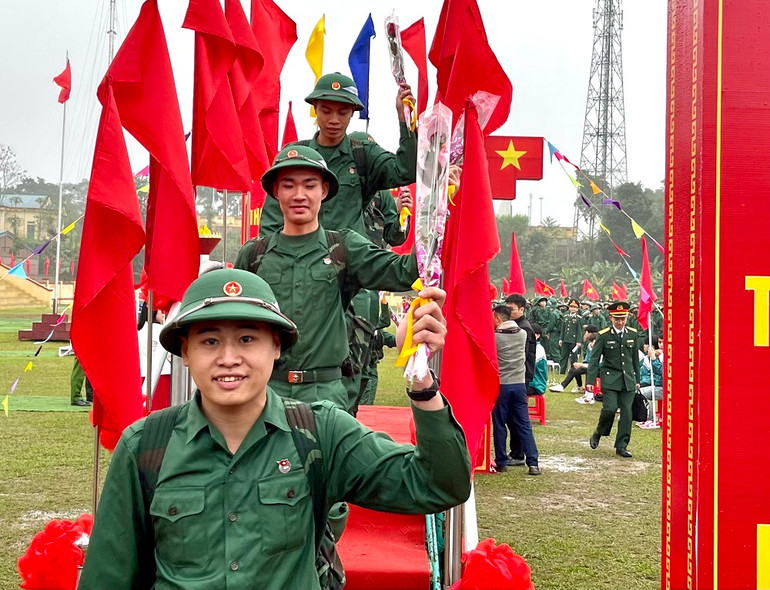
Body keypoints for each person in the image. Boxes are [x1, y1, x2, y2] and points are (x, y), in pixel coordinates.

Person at [79, 269, 471, 589]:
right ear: (185, 352)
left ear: (277, 347)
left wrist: (423, 386)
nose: (229, 359)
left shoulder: (319, 433)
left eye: (247, 339)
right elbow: (107, 577)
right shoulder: (145, 446)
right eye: (210, 341)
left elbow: (438, 484)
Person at [234, 145, 418, 411]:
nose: (299, 195)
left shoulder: (343, 248)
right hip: (264, 395)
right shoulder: (254, 255)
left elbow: (405, 272)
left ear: (324, 191)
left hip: (324, 398)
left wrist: (437, 212)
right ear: (276, 191)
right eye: (288, 185)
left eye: (310, 185)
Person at [258, 72, 416, 239]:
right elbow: (271, 220)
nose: (334, 120)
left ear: (353, 112)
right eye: (326, 111)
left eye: (342, 112)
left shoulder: (364, 154)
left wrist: (405, 118)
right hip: (302, 258)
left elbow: (405, 171)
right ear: (315, 108)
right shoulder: (294, 156)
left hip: (351, 260)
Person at [491, 305, 541, 476]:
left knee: (499, 424)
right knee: (524, 424)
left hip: (502, 385)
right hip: (519, 385)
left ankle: (501, 462)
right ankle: (533, 462)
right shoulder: (522, 334)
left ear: (497, 318)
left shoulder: (495, 338)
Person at [586, 301, 640, 458]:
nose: (620, 322)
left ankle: (622, 445)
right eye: (617, 319)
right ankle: (599, 431)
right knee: (609, 409)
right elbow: (594, 360)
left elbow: (634, 358)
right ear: (611, 318)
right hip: (610, 379)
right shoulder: (603, 335)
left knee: (627, 413)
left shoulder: (632, 333)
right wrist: (590, 381)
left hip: (628, 378)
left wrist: (636, 378)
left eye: (623, 318)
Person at [549, 325, 599, 394]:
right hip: (590, 366)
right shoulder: (589, 345)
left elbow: (598, 363)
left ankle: (565, 386)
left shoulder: (598, 345)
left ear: (590, 333)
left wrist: (582, 365)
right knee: (574, 368)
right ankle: (578, 386)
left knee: (576, 369)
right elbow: (588, 359)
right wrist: (581, 364)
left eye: (586, 332)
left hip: (597, 368)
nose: (585, 334)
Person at [638, 336, 663, 423]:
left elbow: (661, 372)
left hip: (663, 387)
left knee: (641, 393)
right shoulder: (659, 354)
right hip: (657, 384)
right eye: (660, 342)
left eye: (663, 342)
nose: (661, 345)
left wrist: (653, 358)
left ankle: (650, 418)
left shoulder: (658, 356)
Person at [558, 298, 582, 373]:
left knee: (573, 356)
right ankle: (562, 370)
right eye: (571, 307)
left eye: (574, 307)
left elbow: (580, 331)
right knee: (564, 355)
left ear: (577, 309)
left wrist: (578, 341)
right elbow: (563, 329)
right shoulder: (566, 317)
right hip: (566, 339)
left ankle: (573, 371)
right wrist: (561, 339)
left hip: (573, 340)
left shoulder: (578, 318)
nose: (572, 309)